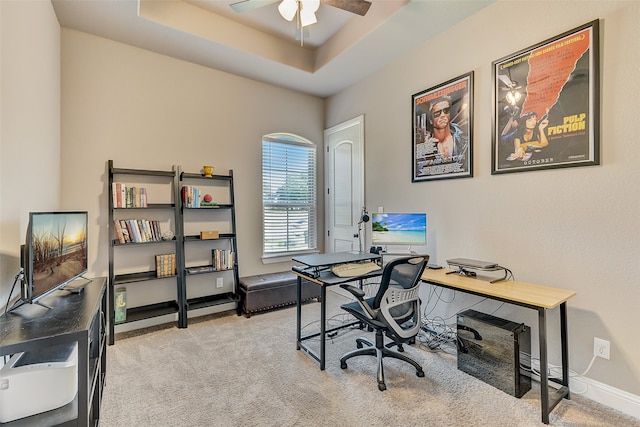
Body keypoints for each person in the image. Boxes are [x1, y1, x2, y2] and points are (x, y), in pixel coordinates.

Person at [427, 96, 468, 161]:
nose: (443, 115)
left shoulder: (465, 140)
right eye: (437, 113)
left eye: (446, 111)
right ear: (431, 120)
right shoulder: (427, 145)